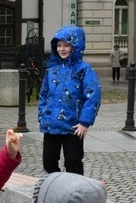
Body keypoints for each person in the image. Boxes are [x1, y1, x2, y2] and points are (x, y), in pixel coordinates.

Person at [38, 25, 101, 176]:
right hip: (51, 124)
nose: (62, 49)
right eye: (59, 45)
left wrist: (85, 122)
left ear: (76, 46)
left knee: (73, 161)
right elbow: (44, 94)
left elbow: (93, 94)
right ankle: (56, 185)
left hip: (73, 126)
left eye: (67, 45)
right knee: (48, 160)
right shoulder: (51, 70)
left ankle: (75, 190)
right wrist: (42, 115)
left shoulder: (84, 69)